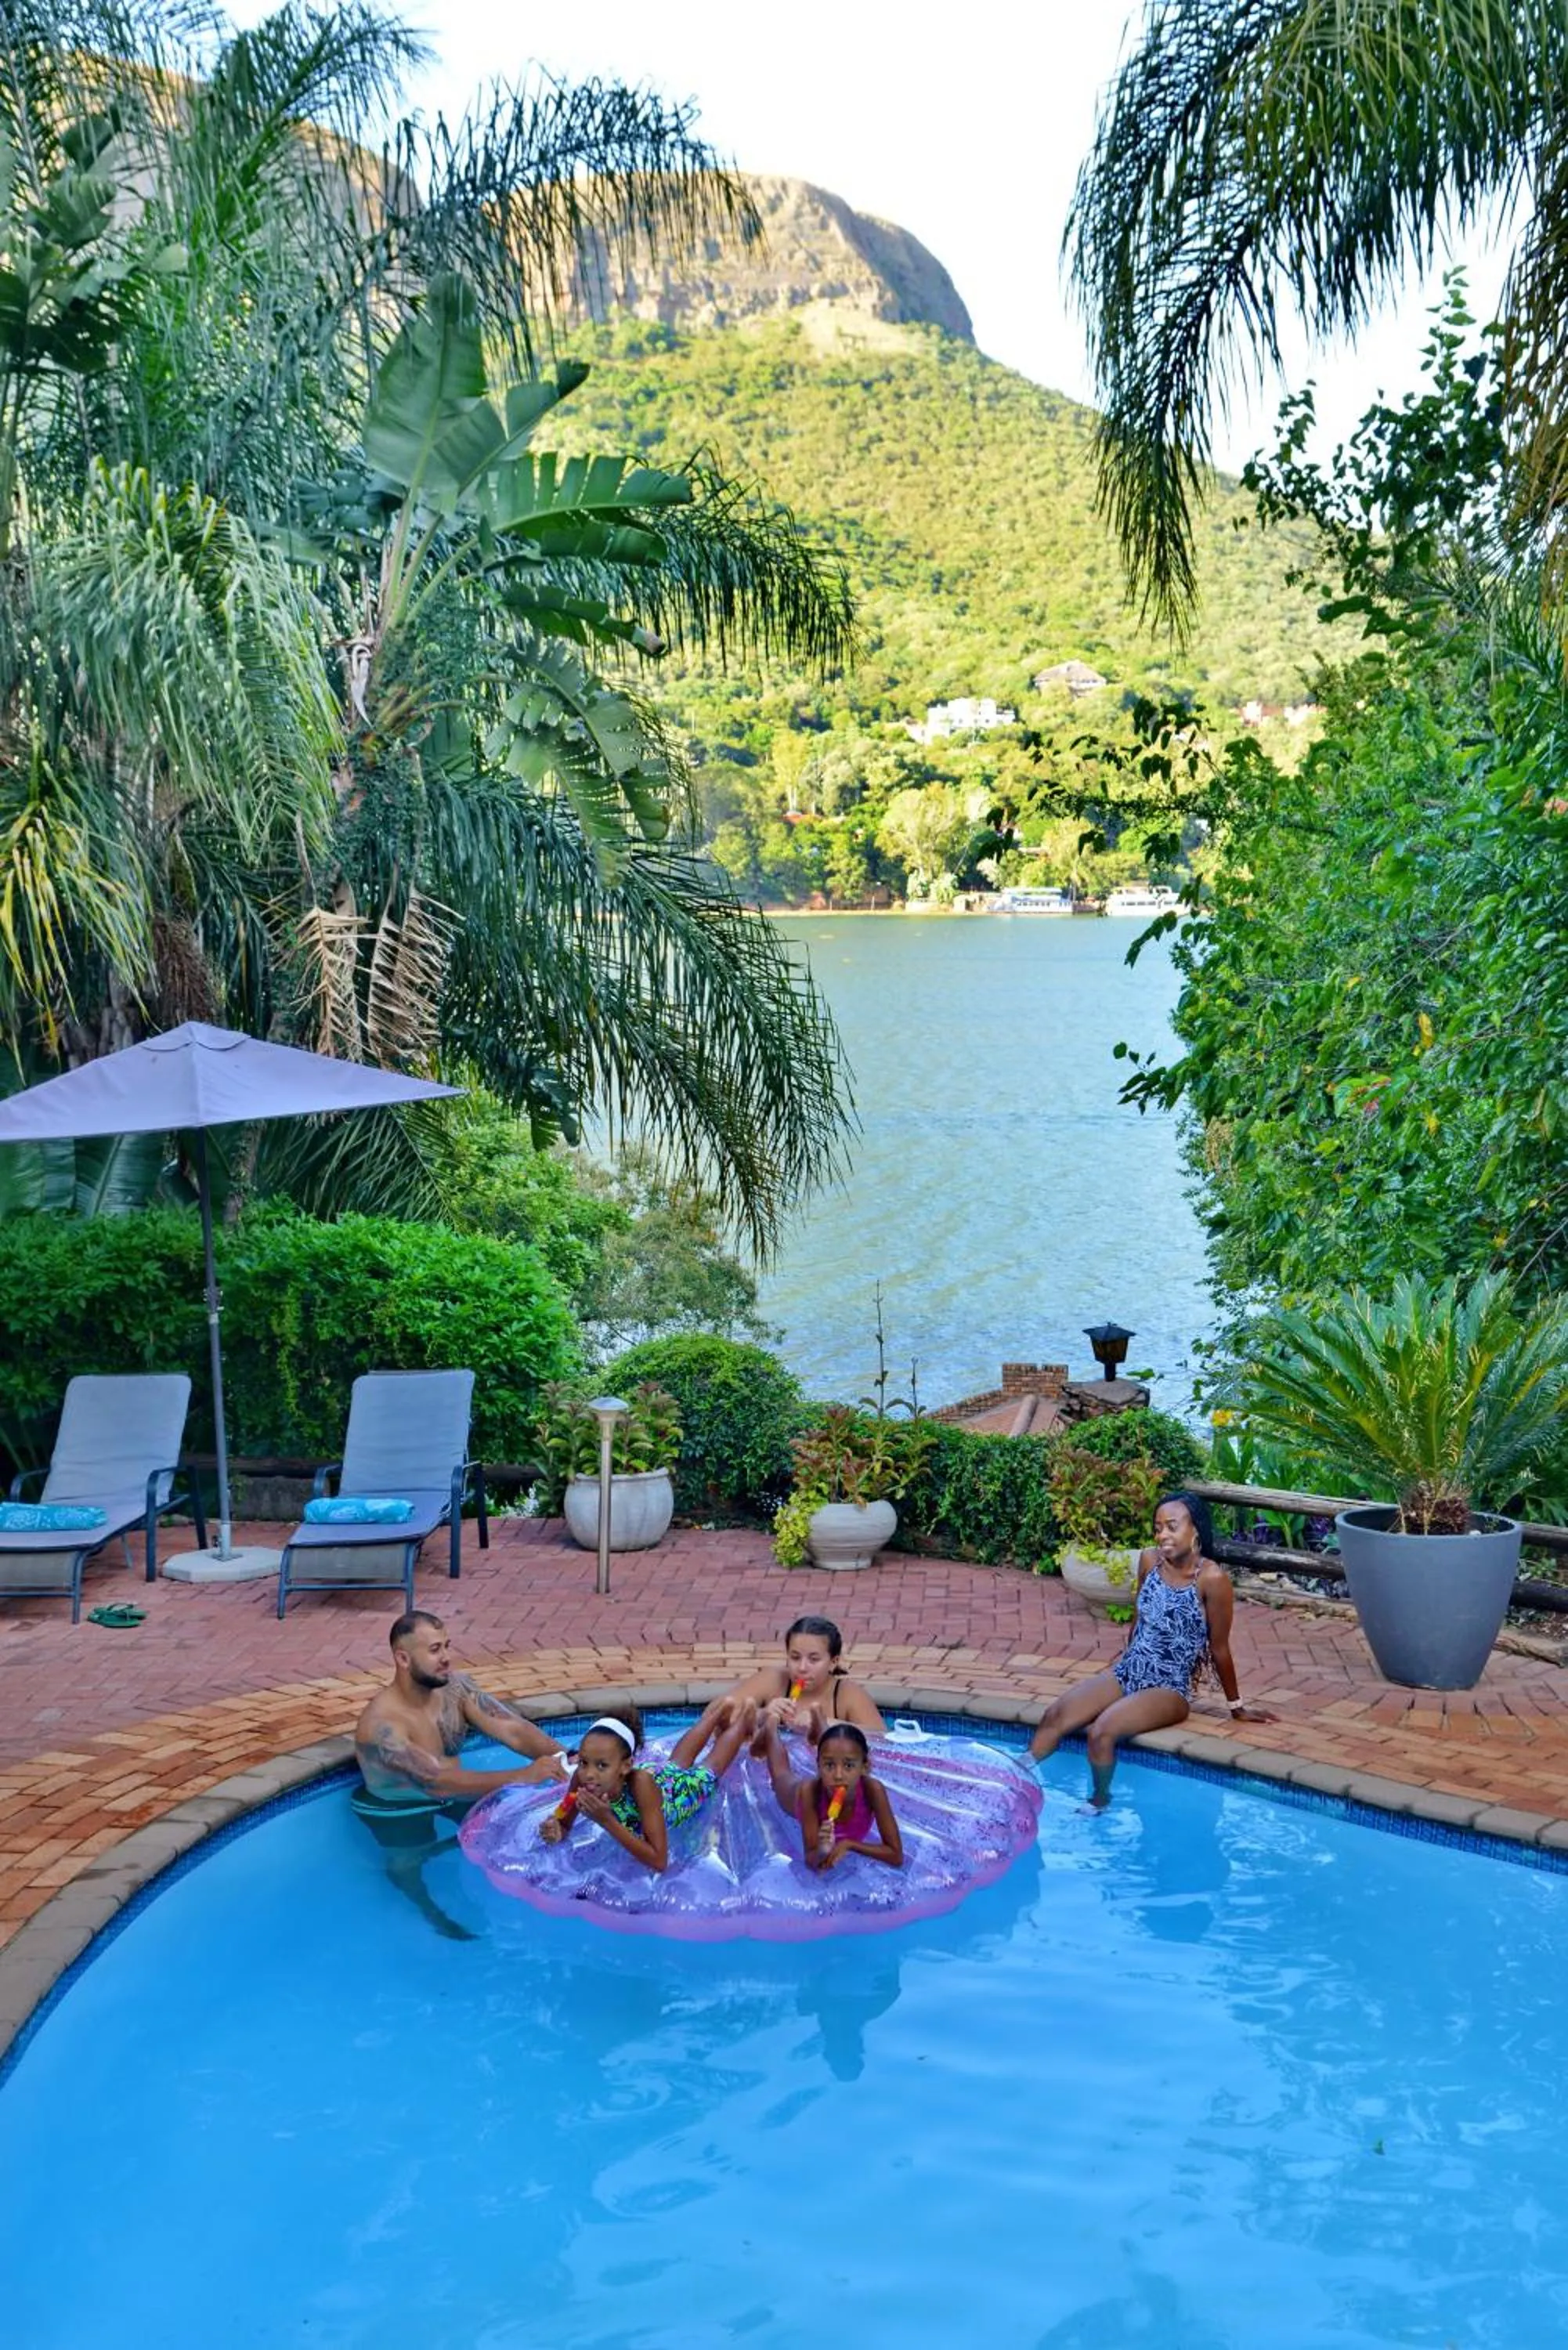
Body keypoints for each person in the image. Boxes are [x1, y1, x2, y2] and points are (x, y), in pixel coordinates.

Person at [1028, 1491, 1276, 1809]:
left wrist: (1237, 1707)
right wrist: (1122, 1670)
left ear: (1195, 1529)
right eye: (1158, 1528)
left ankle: (1098, 1802)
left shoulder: (1212, 1580)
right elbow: (1138, 1618)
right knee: (1054, 1716)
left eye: (1172, 1527)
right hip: (1130, 1671)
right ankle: (1017, 1777)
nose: (1163, 1536)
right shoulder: (1149, 1560)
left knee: (1102, 1732)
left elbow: (1220, 1648)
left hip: (1168, 1688)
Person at [353, 1611, 571, 1804]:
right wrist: (523, 1776)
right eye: (434, 1650)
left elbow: (513, 1729)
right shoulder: (382, 1727)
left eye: (447, 1646)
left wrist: (570, 1757)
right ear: (403, 1659)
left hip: (456, 1796)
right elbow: (434, 1782)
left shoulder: (455, 1689)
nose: (447, 1658)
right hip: (401, 1815)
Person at [540, 1698, 754, 1873]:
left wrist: (607, 1821)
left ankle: (744, 1720)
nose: (589, 1774)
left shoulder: (641, 1785)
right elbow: (565, 1822)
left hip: (673, 1797)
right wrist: (558, 1829)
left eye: (602, 1765)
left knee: (709, 1769)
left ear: (626, 1766)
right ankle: (716, 1713)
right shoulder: (583, 1779)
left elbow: (659, 1860)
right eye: (584, 1762)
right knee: (675, 1763)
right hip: (659, 1776)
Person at [757, 1717, 904, 1872]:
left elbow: (896, 1856)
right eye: (829, 1765)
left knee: (836, 1747)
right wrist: (822, 1850)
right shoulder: (809, 1791)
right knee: (781, 1778)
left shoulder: (873, 1790)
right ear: (818, 1766)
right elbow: (811, 1859)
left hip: (841, 1771)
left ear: (864, 1767)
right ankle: (770, 1729)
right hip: (795, 1797)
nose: (838, 1775)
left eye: (849, 1766)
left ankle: (819, 1720)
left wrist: (850, 1844)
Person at [717, 1614, 887, 1745]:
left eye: (814, 1660)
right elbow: (714, 1716)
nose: (802, 1668)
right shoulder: (773, 1680)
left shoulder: (847, 1695)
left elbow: (884, 1740)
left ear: (833, 1662)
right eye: (795, 1657)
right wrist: (763, 1714)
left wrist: (827, 1724)